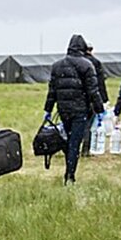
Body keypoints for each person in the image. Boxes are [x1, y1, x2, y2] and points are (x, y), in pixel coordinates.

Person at [43, 34, 103, 185]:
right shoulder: (87, 65)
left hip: (63, 109)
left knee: (69, 140)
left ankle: (69, 165)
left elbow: (52, 91)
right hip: (80, 110)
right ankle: (70, 175)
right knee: (75, 142)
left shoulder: (57, 66)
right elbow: (93, 91)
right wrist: (99, 110)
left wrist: (48, 109)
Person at [81, 44, 110, 155]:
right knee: (89, 124)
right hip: (92, 98)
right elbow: (100, 82)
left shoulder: (77, 62)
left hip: (79, 99)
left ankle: (74, 147)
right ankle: (86, 148)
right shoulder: (95, 62)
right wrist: (104, 99)